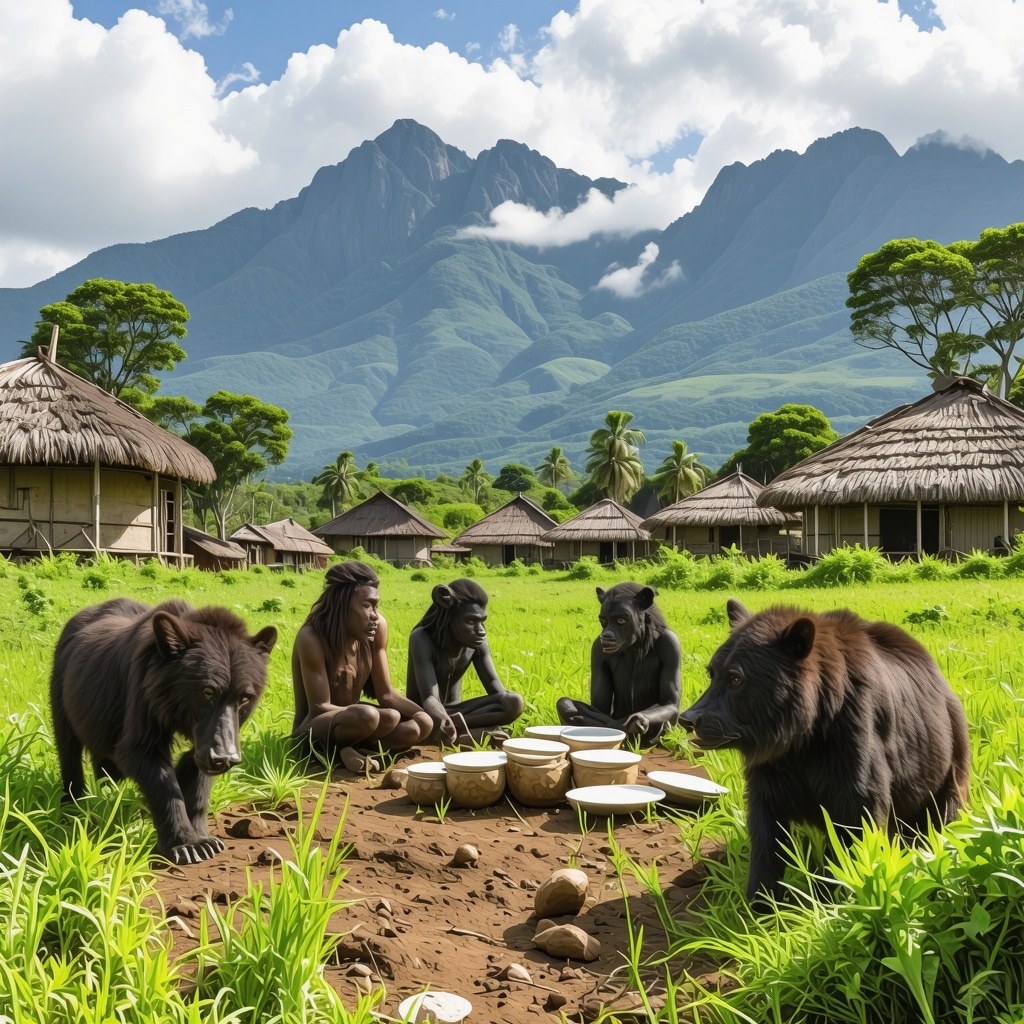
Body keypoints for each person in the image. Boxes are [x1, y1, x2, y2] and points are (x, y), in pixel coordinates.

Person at [292, 561, 432, 771]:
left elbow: (386, 694)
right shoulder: (311, 637)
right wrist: (370, 713)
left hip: (361, 721)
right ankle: (333, 753)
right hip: (315, 727)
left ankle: (354, 753)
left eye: (376, 605)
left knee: (418, 726)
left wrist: (421, 713)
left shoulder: (377, 629)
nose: (375, 615)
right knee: (371, 716)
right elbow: (319, 707)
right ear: (342, 605)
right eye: (366, 606)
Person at [557, 582, 681, 746]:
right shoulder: (601, 648)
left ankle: (610, 734)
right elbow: (600, 710)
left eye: (621, 621)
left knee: (632, 723)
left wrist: (644, 717)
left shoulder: (665, 641)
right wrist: (617, 725)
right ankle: (615, 732)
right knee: (565, 705)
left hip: (650, 726)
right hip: (614, 724)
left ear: (640, 616)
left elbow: (672, 708)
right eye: (605, 622)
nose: (607, 632)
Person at [407, 579, 524, 746]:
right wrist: (442, 718)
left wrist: (503, 704)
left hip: (460, 713)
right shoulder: (422, 638)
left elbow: (496, 690)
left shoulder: (477, 643)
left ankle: (452, 731)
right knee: (427, 718)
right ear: (450, 618)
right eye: (471, 621)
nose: (481, 630)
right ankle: (449, 732)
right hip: (427, 712)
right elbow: (429, 699)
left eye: (482, 621)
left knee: (514, 702)